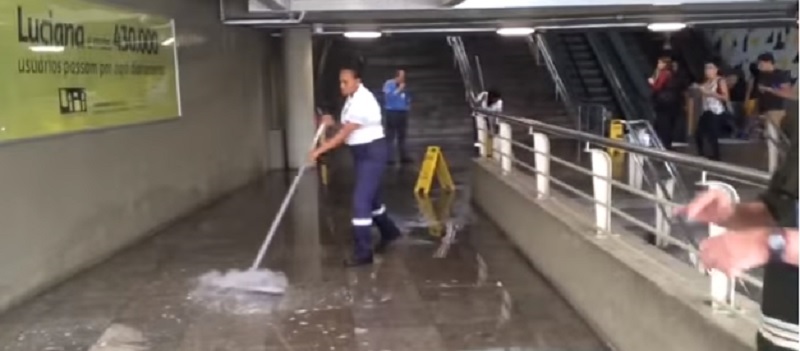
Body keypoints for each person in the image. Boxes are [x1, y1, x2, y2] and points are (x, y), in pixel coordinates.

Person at [678, 112, 797, 351]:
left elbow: (772, 240)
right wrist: (730, 214)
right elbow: (780, 210)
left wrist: (767, 244)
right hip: (778, 333)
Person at [311, 65, 401, 267]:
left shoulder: (363, 100)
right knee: (373, 199)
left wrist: (319, 150)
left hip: (372, 153)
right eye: (340, 82)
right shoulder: (352, 99)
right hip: (361, 153)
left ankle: (363, 253)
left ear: (357, 81)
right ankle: (390, 232)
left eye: (346, 82)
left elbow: (344, 135)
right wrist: (331, 122)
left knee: (360, 201)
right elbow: (346, 127)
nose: (342, 86)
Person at [754, 53, 793, 172]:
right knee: (771, 140)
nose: (759, 66)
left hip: (779, 110)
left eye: (761, 63)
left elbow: (786, 93)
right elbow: (760, 96)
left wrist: (769, 89)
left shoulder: (781, 75)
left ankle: (785, 168)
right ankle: (773, 169)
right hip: (767, 111)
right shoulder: (761, 76)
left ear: (768, 62)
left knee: (782, 140)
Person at [692, 60, 729, 161]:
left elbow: (725, 97)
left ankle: (716, 156)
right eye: (706, 68)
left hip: (716, 111)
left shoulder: (720, 81)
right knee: (698, 133)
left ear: (716, 70)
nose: (707, 71)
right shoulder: (705, 82)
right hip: (706, 110)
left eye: (710, 68)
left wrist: (710, 93)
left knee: (713, 135)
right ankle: (702, 154)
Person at [382, 69, 412, 165]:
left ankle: (403, 156)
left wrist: (407, 105)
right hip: (392, 112)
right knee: (390, 135)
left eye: (404, 77)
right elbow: (389, 96)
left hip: (402, 112)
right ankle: (389, 157)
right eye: (401, 77)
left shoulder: (405, 86)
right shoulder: (389, 84)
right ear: (396, 76)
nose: (402, 79)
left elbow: (408, 97)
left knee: (402, 135)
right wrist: (399, 90)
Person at [649, 56, 677, 149]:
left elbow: (658, 87)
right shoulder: (669, 73)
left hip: (663, 102)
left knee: (663, 123)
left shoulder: (664, 74)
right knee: (663, 123)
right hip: (669, 102)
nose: (658, 65)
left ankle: (663, 144)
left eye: (660, 63)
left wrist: (652, 82)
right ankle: (664, 143)